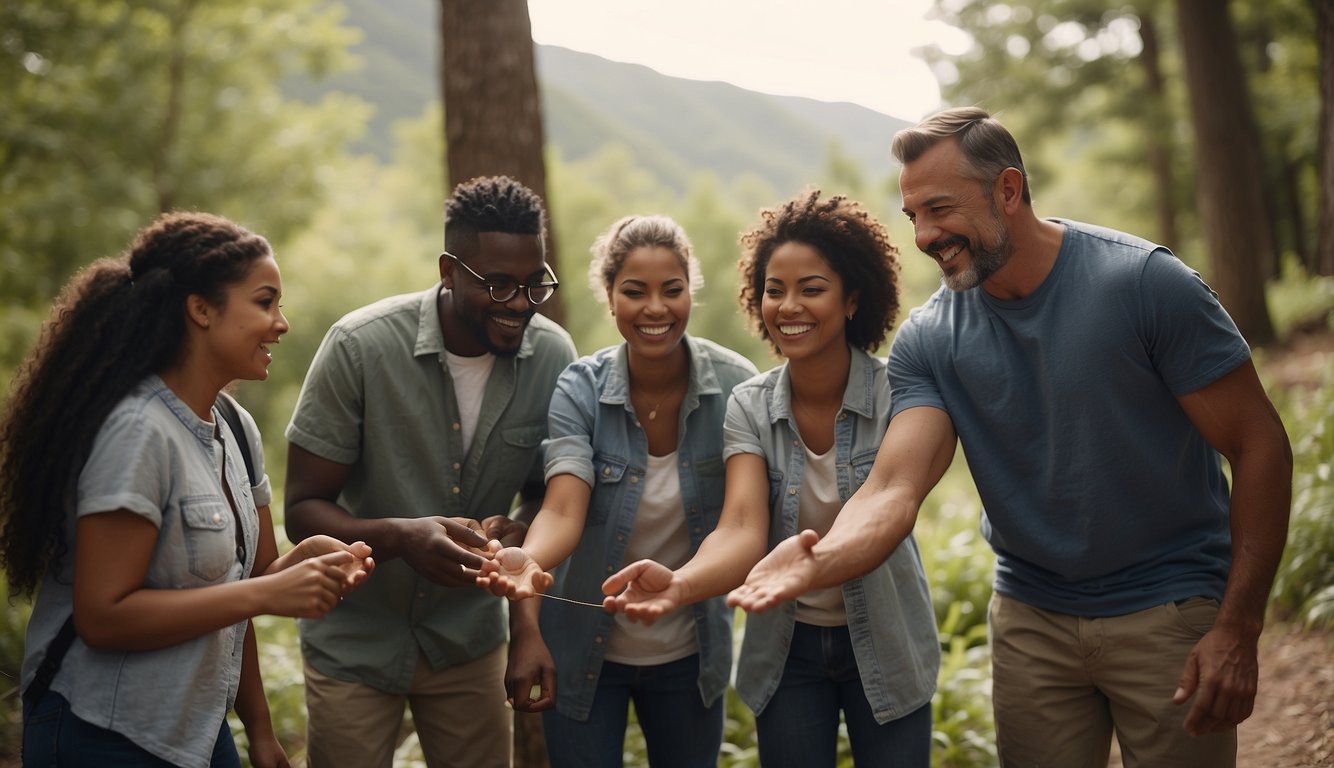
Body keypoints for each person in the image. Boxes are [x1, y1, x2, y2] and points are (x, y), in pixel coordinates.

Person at [729, 108, 1295, 767]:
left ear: (1008, 190)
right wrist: (818, 560)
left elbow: (1260, 447)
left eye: (939, 209)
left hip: (1166, 608)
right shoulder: (931, 338)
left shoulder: (1143, 285)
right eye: (913, 215)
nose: (925, 235)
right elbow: (892, 487)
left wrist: (1238, 625)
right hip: (1032, 621)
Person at [0, 211, 373, 768]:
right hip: (102, 731)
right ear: (200, 309)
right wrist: (267, 594)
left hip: (196, 734)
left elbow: (244, 586)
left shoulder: (237, 431)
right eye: (265, 301)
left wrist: (262, 730)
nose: (282, 323)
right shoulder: (136, 432)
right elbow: (104, 616)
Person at [599, 191, 939, 767]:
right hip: (786, 650)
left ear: (853, 298)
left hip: (887, 639)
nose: (789, 306)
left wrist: (815, 562)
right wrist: (680, 585)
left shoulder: (897, 394)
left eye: (812, 288)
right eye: (774, 290)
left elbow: (892, 501)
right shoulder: (750, 405)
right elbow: (741, 525)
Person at [284, 175, 577, 768]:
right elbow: (302, 510)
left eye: (531, 284)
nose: (519, 303)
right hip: (355, 643)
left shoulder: (553, 356)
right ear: (449, 270)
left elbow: (549, 499)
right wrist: (401, 537)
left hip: (468, 642)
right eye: (497, 284)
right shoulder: (358, 347)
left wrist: (524, 608)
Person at [475, 214, 757, 767]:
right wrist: (526, 561)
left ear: (690, 292)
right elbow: (562, 507)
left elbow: (745, 524)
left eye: (671, 290)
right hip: (582, 647)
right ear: (609, 297)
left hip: (690, 652)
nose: (655, 308)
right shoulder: (580, 388)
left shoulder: (735, 386)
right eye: (635, 291)